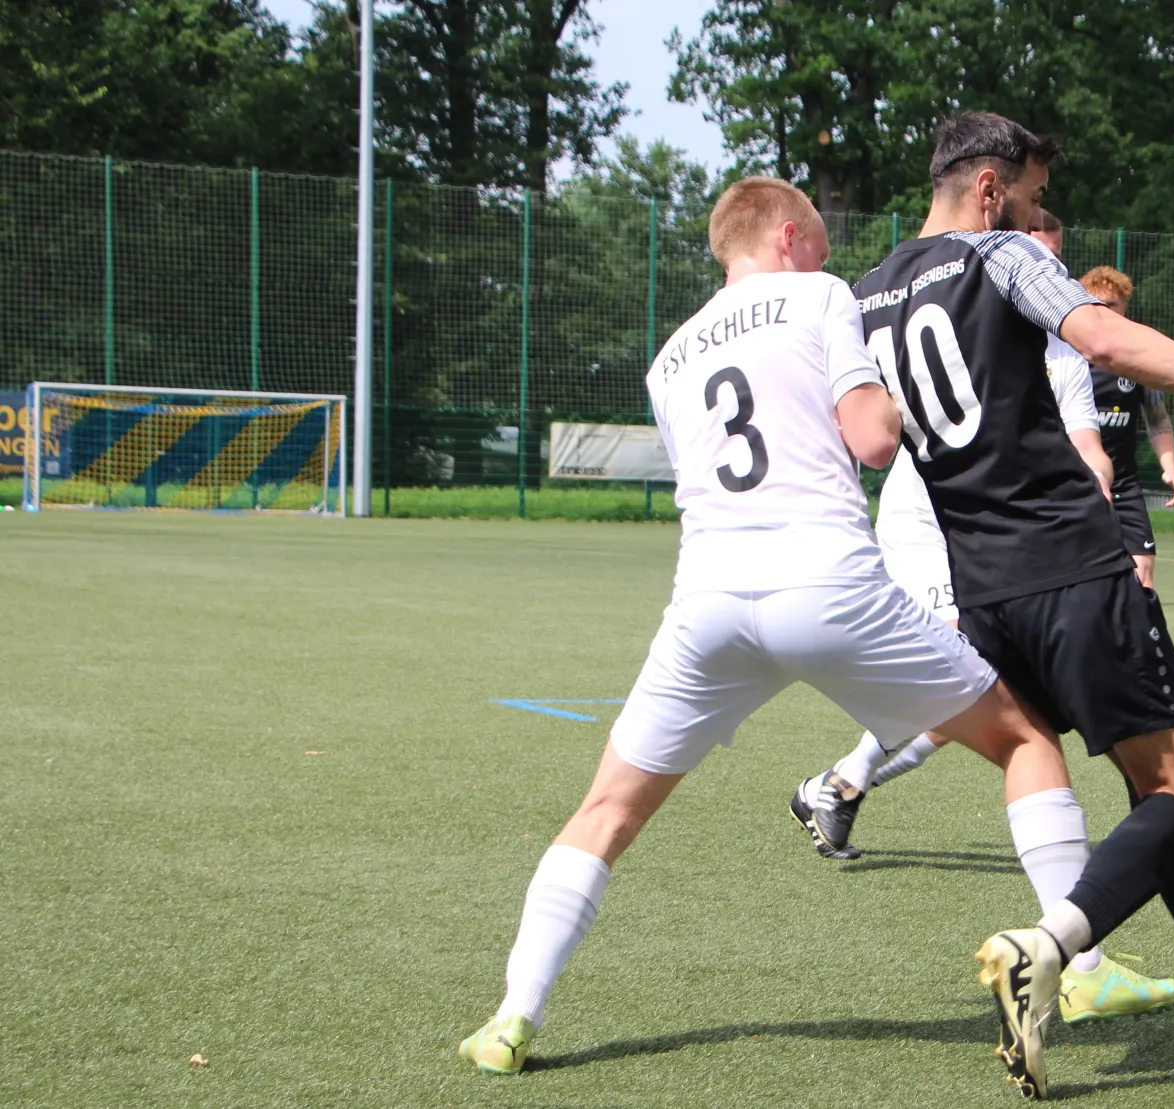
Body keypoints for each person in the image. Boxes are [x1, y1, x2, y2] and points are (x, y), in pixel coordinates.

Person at [455, 177, 1085, 1077]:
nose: (828, 260)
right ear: (789, 236)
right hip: (827, 584)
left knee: (604, 811)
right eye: (822, 243)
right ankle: (1087, 965)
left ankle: (512, 1017)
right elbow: (871, 439)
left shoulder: (668, 358)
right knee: (1026, 737)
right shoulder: (821, 296)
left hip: (708, 602)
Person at [853, 111, 1174, 1098]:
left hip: (982, 588)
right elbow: (1105, 341)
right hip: (1075, 567)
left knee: (1140, 779)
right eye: (1037, 196)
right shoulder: (999, 251)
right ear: (991, 188)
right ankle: (1048, 946)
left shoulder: (865, 292)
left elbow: (869, 436)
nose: (1047, 223)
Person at [788, 214, 1174, 1028]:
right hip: (948, 529)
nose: (1054, 272)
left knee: (1004, 708)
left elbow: (1089, 447)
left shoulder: (1031, 330)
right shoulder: (1000, 304)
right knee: (994, 704)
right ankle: (1076, 961)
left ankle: (839, 787)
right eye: (1042, 252)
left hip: (987, 535)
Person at [1076, 266, 1174, 589]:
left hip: (1123, 482)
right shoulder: (1067, 357)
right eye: (1096, 305)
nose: (1104, 313)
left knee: (1143, 566)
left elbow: (1157, 418)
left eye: (1112, 306)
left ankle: (1140, 634)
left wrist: (1171, 470)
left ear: (1125, 308)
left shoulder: (1137, 362)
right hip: (1074, 482)